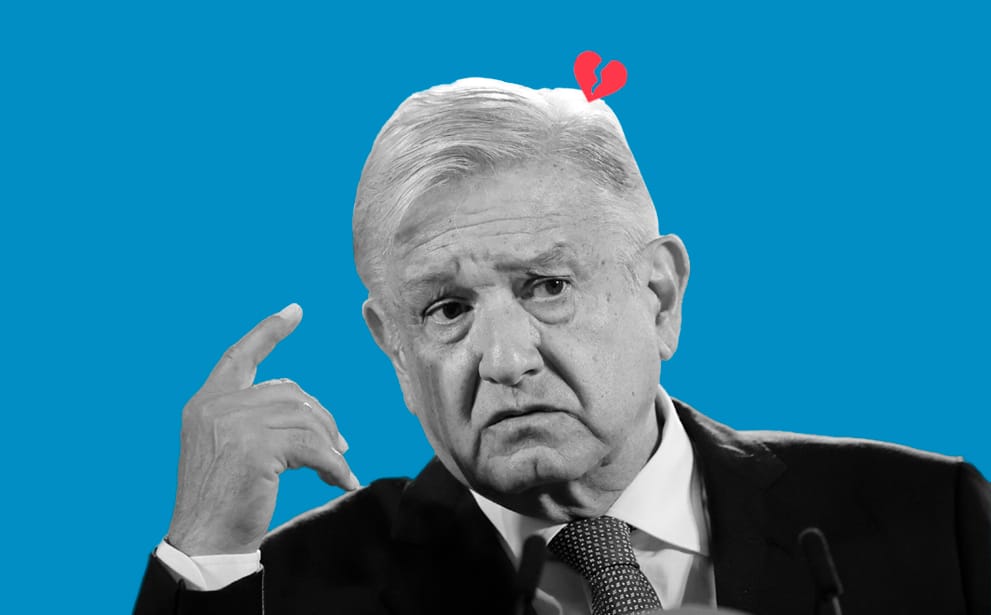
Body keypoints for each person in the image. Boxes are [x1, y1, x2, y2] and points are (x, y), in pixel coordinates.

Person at [133, 78, 991, 615]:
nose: (504, 359)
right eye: (446, 309)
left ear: (659, 296)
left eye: (546, 285)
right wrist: (207, 549)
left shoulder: (929, 522)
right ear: (394, 348)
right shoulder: (291, 586)